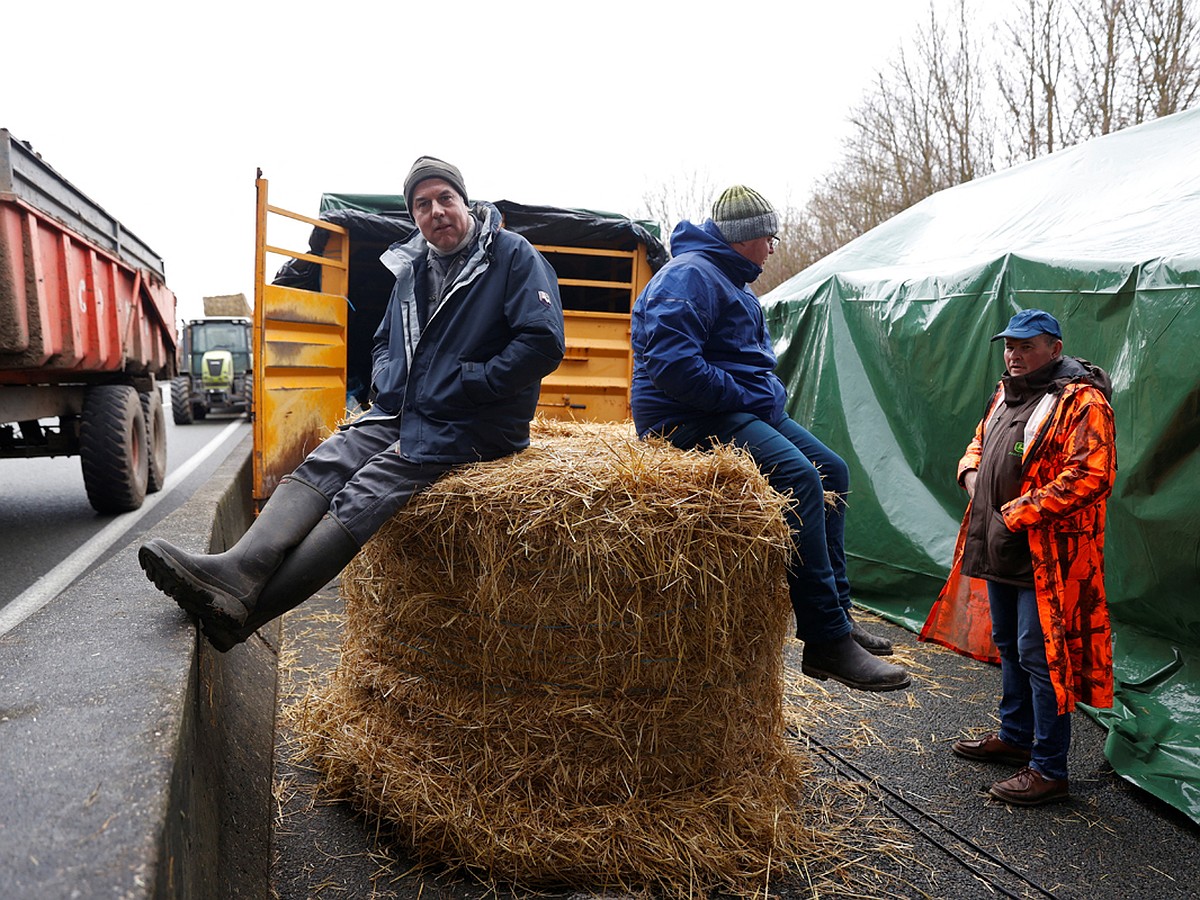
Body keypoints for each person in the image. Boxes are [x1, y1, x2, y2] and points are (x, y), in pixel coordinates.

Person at [140, 156, 566, 652]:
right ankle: (238, 568)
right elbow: (384, 340)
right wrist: (388, 378)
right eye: (422, 205)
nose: (436, 212)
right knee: (330, 455)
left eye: (445, 199)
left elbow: (541, 341)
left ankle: (247, 613)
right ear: (414, 217)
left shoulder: (511, 256)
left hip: (475, 421)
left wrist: (473, 382)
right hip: (406, 409)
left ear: (464, 202)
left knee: (365, 490)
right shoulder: (412, 270)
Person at [630, 185, 910, 693]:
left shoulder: (730, 278)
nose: (775, 246)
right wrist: (743, 394)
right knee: (800, 478)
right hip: (686, 416)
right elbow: (672, 366)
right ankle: (825, 640)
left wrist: (764, 392)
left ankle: (839, 616)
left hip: (734, 406)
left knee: (833, 472)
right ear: (744, 238)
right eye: (769, 235)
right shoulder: (689, 276)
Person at [921, 309, 1116, 806]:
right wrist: (970, 473)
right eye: (1010, 345)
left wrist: (1018, 511)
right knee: (1009, 643)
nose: (1014, 354)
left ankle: (1049, 769)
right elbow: (979, 442)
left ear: (1054, 348)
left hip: (1047, 555)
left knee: (1041, 657)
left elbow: (1093, 474)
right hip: (1000, 546)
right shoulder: (1007, 392)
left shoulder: (1082, 401)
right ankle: (1015, 738)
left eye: (1027, 346)